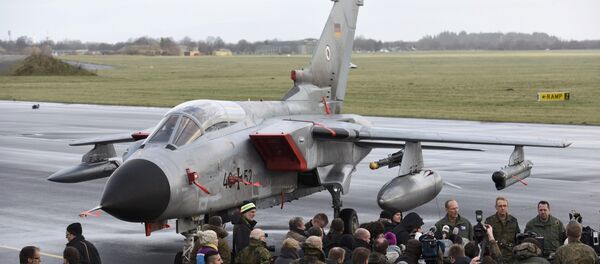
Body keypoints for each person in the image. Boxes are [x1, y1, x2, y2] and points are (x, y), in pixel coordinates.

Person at [484, 196, 520, 263]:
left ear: (507, 206)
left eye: (504, 206)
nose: (503, 208)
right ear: (496, 207)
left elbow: (517, 237)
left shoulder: (513, 221)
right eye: (500, 206)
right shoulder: (490, 221)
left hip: (510, 257)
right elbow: (486, 239)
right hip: (495, 256)